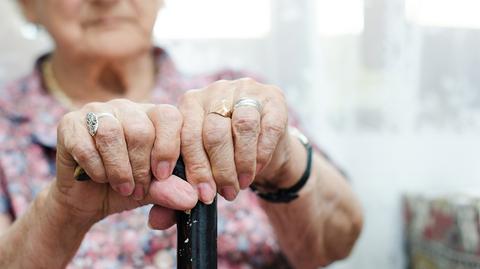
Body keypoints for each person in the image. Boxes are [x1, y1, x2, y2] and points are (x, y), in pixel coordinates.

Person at [0, 1, 363, 268]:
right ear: (27, 6)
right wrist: (61, 211)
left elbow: (337, 242)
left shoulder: (242, 99)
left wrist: (283, 161)